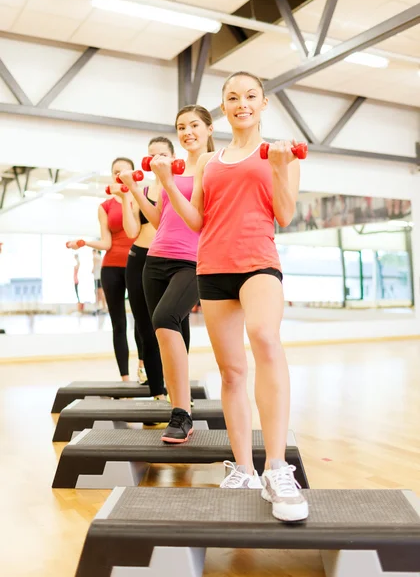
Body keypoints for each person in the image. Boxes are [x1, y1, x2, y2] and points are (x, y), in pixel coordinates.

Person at [153, 72, 308, 522]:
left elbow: (284, 213)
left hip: (258, 261)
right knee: (232, 371)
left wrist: (279, 168)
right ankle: (243, 467)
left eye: (250, 96)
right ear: (225, 107)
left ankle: (277, 467)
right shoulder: (208, 162)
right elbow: (198, 220)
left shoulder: (280, 154)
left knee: (264, 338)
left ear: (263, 105)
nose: (242, 103)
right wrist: (165, 181)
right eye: (232, 97)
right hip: (212, 267)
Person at [119, 105, 214, 440]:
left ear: (209, 129)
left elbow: (199, 218)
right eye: (181, 126)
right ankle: (179, 404)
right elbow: (160, 220)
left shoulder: (211, 167)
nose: (187, 131)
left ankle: (181, 413)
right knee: (163, 332)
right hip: (156, 260)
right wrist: (135, 188)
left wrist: (168, 181)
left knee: (163, 318)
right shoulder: (170, 170)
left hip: (192, 260)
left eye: (193, 125)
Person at [109, 137, 179, 399]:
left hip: (172, 261)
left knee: (174, 327)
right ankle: (157, 392)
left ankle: (176, 391)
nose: (156, 160)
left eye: (162, 154)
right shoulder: (142, 190)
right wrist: (127, 197)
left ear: (173, 157)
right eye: (151, 156)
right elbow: (131, 230)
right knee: (145, 328)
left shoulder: (181, 187)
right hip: (139, 259)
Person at [67, 158, 144, 382]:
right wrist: (84, 243)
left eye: (123, 171)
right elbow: (107, 243)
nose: (119, 175)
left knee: (141, 320)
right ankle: (125, 379)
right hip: (111, 268)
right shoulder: (105, 207)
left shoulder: (138, 199)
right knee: (118, 324)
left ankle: (143, 368)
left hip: (136, 264)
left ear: (132, 172)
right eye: (115, 172)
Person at [92, 249, 107, 313]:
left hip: (97, 277)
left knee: (99, 292)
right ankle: (102, 307)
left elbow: (94, 267)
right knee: (100, 292)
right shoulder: (100, 257)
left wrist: (92, 270)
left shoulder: (95, 257)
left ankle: (101, 307)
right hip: (101, 276)